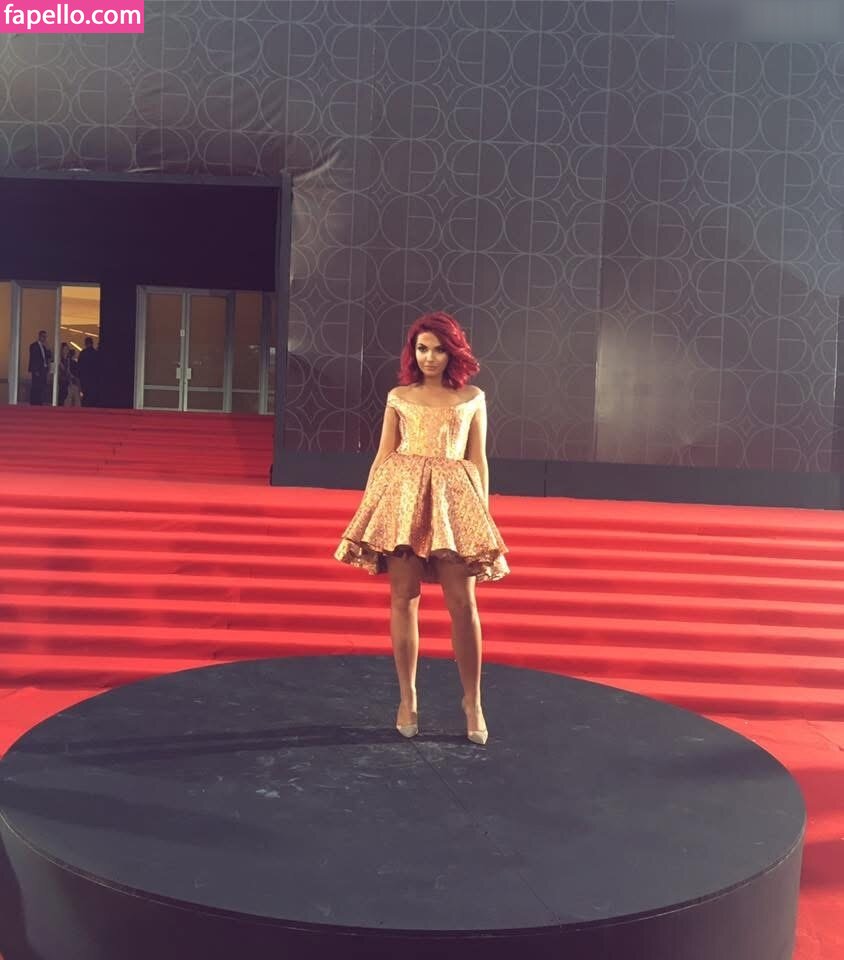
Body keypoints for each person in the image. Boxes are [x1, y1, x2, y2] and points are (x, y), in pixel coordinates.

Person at [334, 312, 509, 745]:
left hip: (455, 503)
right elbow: (383, 454)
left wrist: (482, 515)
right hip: (403, 500)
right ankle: (407, 698)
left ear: (453, 352)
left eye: (438, 349)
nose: (429, 357)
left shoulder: (472, 397)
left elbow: (478, 459)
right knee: (403, 599)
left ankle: (473, 701)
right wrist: (369, 507)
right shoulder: (399, 396)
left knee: (463, 604)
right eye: (422, 348)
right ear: (412, 352)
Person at [27, 330, 51, 405]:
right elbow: (34, 358)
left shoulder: (44, 347)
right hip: (37, 370)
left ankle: (39, 402)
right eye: (43, 336)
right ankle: (34, 402)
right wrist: (35, 370)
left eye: (45, 337)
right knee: (35, 386)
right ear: (39, 336)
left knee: (42, 387)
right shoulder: (34, 345)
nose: (45, 338)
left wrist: (48, 348)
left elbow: (49, 356)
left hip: (43, 370)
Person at [77, 336, 99, 407]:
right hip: (94, 380)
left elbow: (79, 367)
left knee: (85, 397)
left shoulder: (82, 353)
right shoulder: (96, 353)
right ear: (92, 343)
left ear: (85, 344)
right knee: (92, 398)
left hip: (84, 379)